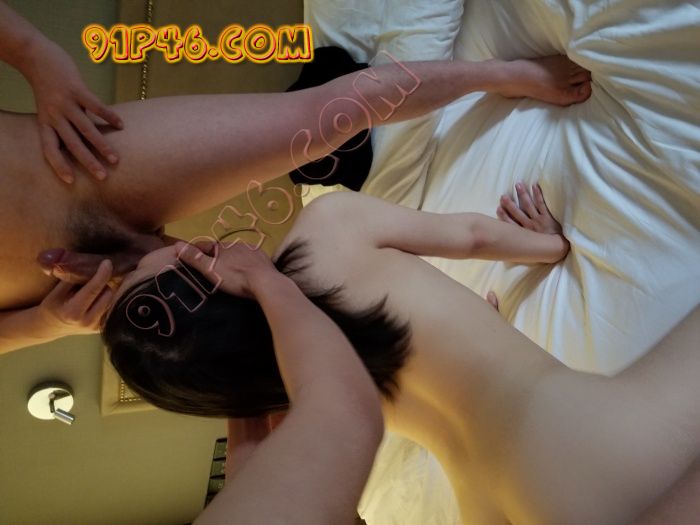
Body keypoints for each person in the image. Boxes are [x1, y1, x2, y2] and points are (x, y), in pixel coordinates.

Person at [0, 1, 593, 354]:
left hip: (69, 163)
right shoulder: (328, 229)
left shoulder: (331, 221)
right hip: (79, 292)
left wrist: (33, 53)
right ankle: (473, 335)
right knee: (302, 322)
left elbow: (468, 235)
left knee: (325, 115)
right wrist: (43, 325)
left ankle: (503, 74)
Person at [103, 186, 699, 525]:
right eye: (179, 253)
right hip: (578, 441)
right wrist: (547, 245)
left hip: (488, 505)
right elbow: (472, 236)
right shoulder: (326, 226)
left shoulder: (285, 414)